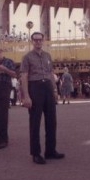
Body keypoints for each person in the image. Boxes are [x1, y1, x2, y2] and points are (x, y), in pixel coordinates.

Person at [21, 32, 65, 165]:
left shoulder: (48, 56)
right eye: (36, 40)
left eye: (40, 40)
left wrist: (55, 89)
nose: (38, 42)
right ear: (32, 41)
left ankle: (50, 151)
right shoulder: (27, 57)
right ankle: (35, 153)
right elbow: (24, 76)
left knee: (52, 120)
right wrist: (26, 96)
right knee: (35, 121)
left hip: (48, 88)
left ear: (43, 41)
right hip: (35, 87)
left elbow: (51, 73)